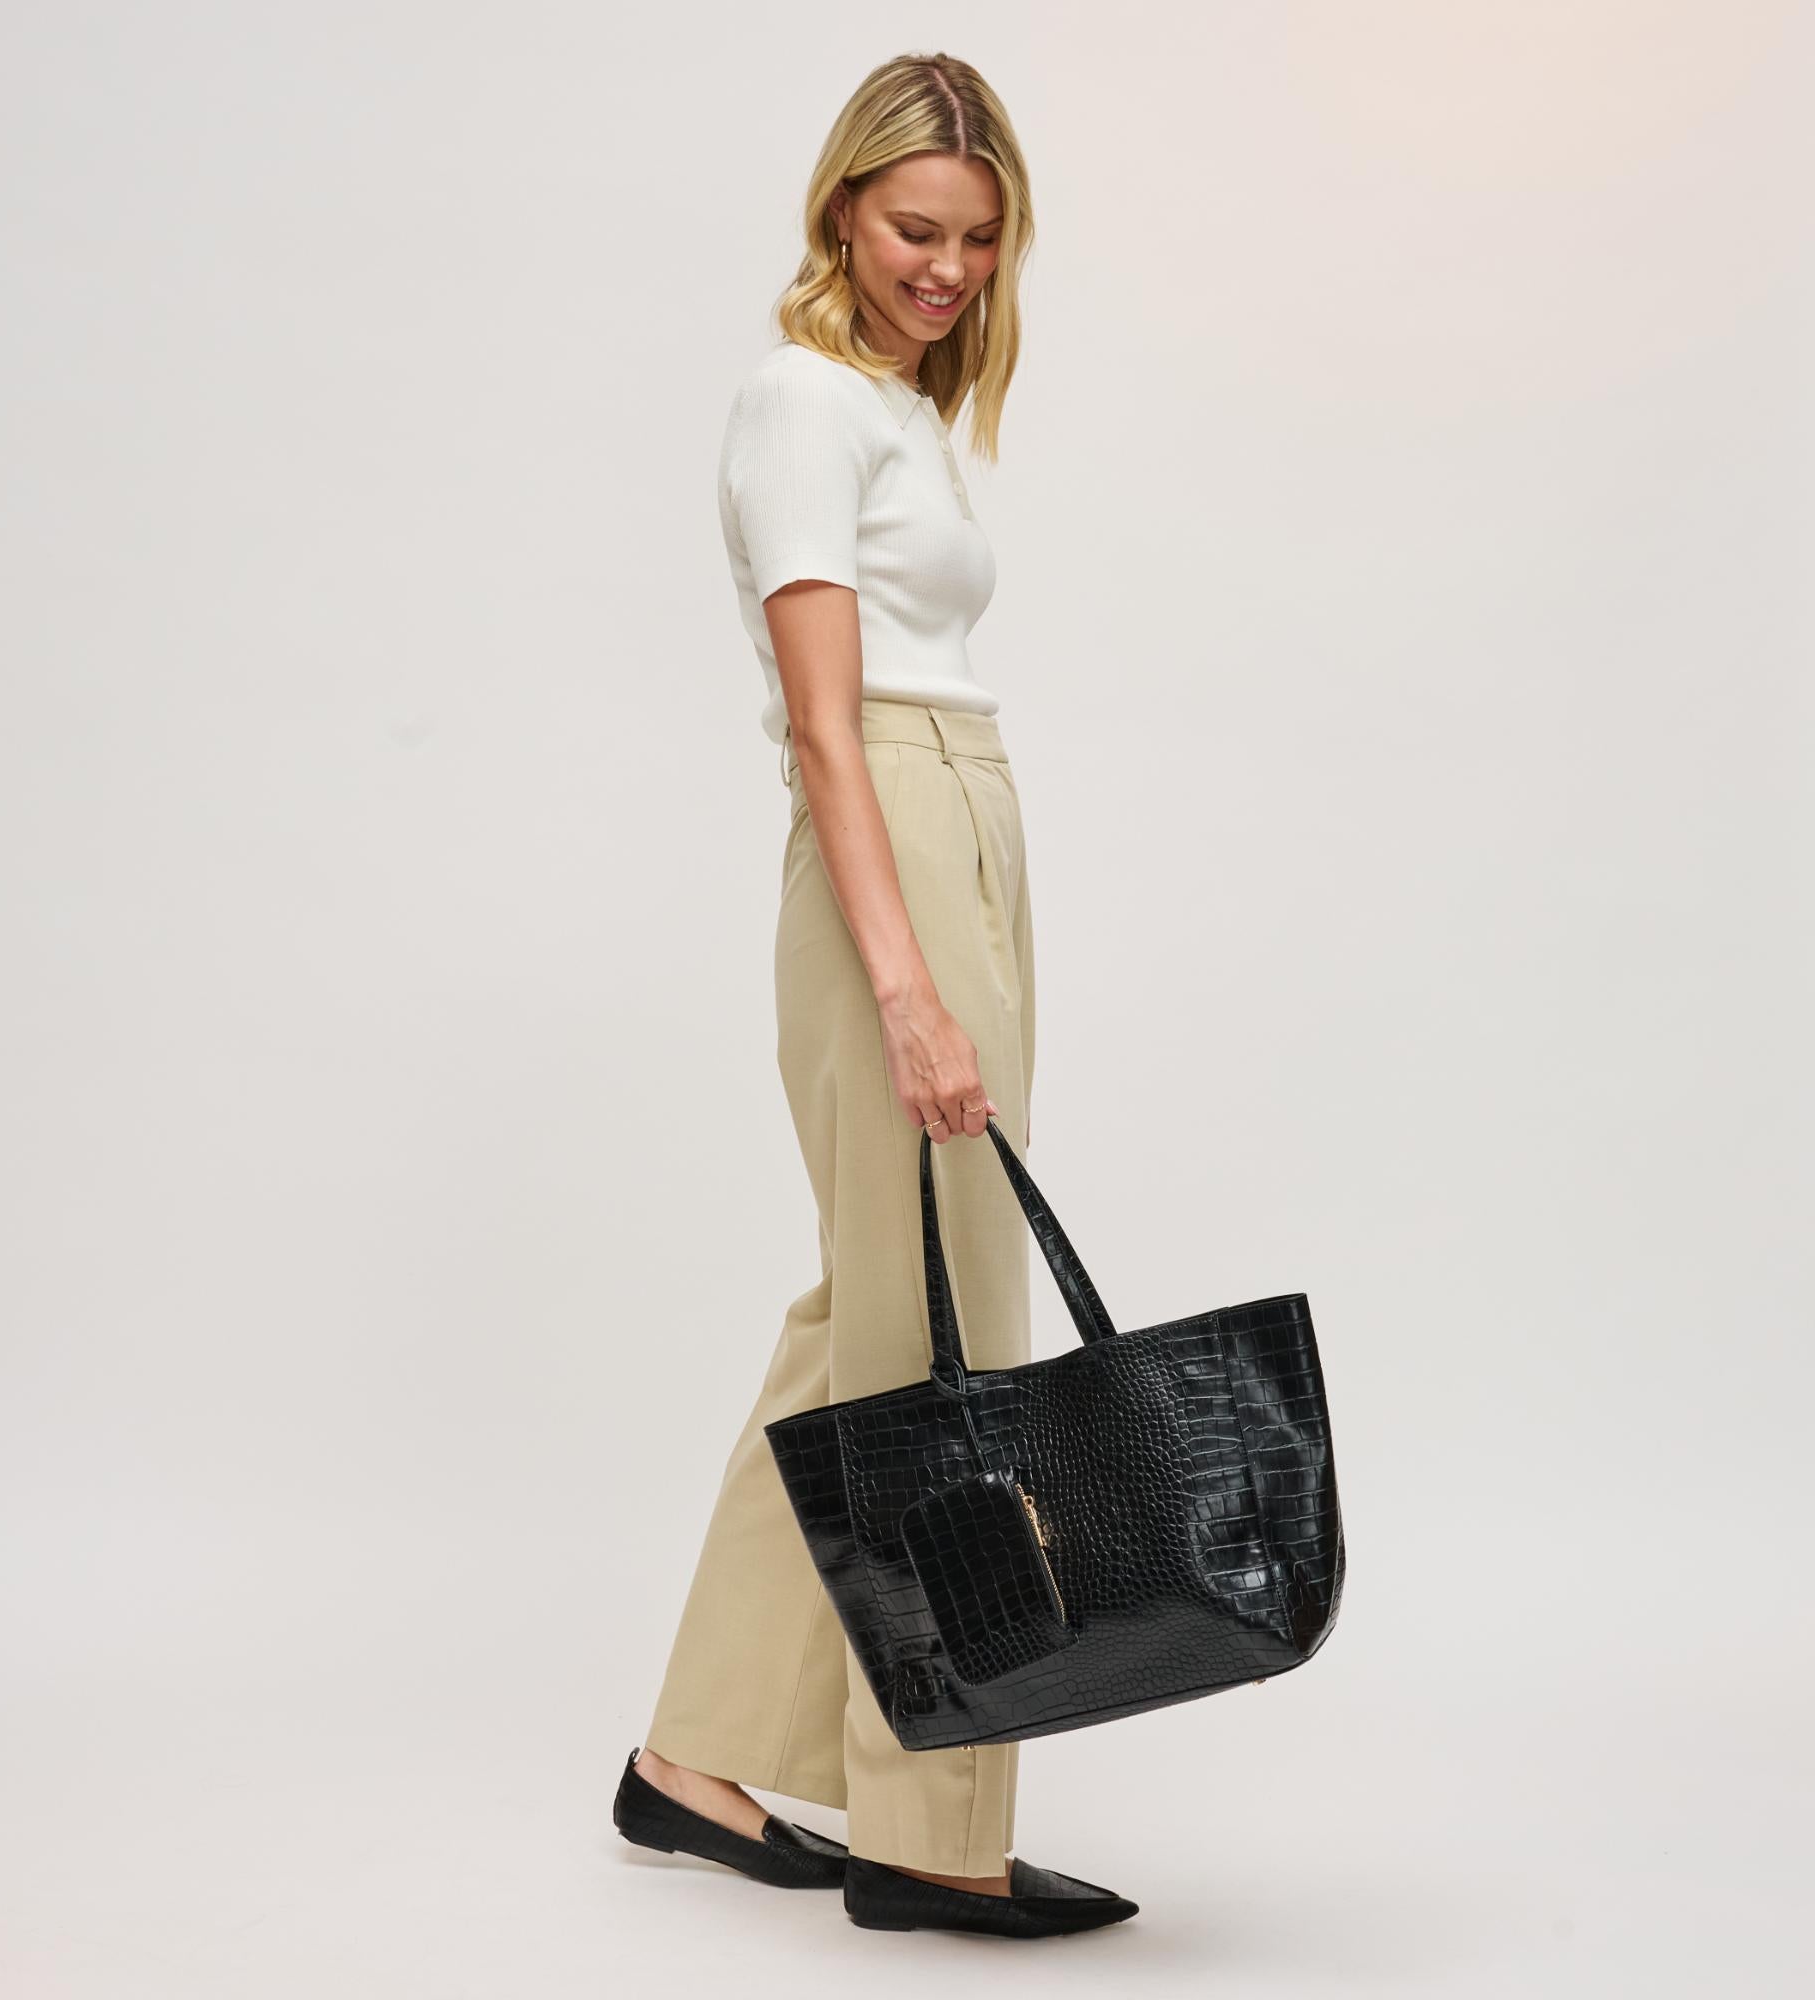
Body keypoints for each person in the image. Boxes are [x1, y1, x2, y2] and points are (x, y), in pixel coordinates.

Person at [611, 51, 1137, 1940]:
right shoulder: (799, 402)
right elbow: (829, 730)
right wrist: (909, 990)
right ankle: (931, 1832)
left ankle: (695, 1758)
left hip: (959, 814)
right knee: (947, 1327)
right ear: (842, 207)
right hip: (886, 839)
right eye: (917, 227)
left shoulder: (903, 409)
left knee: (876, 1311)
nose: (948, 268)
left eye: (981, 240)